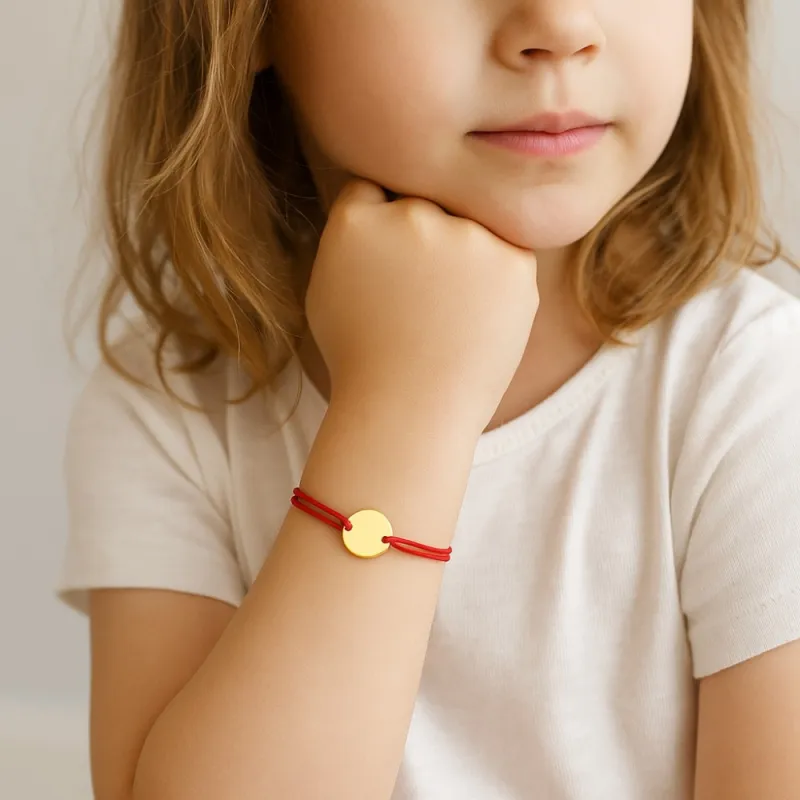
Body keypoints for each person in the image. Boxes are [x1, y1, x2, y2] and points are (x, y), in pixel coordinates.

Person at [59, 1, 800, 798]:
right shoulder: (174, 405)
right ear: (254, 21)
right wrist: (402, 410)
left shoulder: (753, 385)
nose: (559, 24)